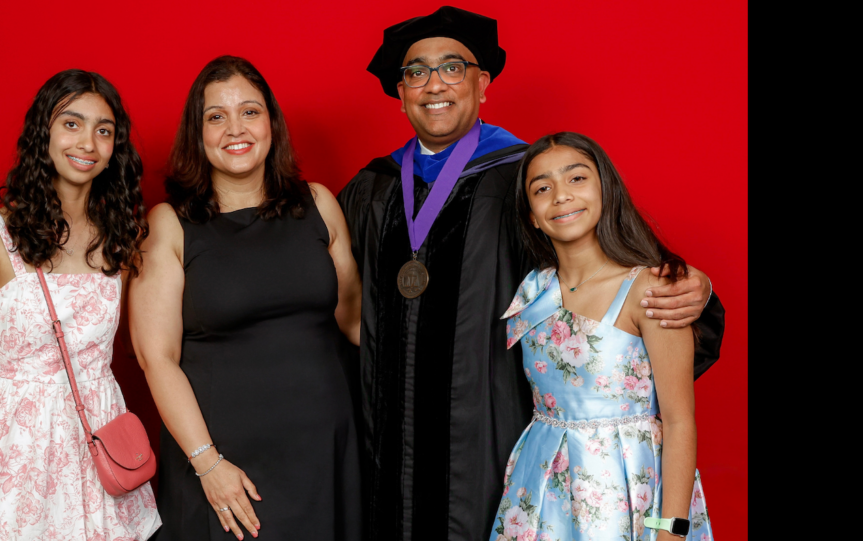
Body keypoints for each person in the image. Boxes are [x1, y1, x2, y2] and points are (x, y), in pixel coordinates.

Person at [335, 6, 726, 541]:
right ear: (401, 92)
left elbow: (614, 263)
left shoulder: (525, 177)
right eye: (417, 72)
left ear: (482, 82)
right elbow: (328, 295)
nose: (434, 84)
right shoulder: (371, 190)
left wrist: (694, 285)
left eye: (452, 67)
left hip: (498, 438)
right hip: (390, 438)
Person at [0, 69, 161, 541]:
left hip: (97, 449)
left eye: (104, 130)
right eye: (71, 123)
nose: (88, 142)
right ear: (43, 133)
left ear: (116, 147)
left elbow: (147, 346)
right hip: (10, 449)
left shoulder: (123, 240)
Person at [130, 56, 362, 541]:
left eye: (250, 111)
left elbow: (356, 322)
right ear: (198, 133)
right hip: (225, 466)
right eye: (216, 116)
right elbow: (158, 359)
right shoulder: (170, 226)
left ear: (272, 123)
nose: (235, 128)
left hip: (324, 451)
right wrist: (207, 464)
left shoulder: (318, 203)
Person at [490, 132, 713, 541]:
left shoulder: (652, 288)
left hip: (625, 482)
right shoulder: (532, 290)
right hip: (539, 485)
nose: (560, 195)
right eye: (542, 188)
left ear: (605, 191)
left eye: (577, 179)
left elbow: (680, 420)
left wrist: (671, 530)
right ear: (532, 217)